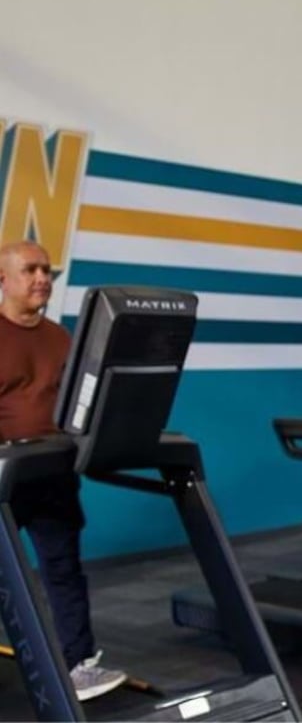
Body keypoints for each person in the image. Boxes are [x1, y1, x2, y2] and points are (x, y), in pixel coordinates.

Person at [0, 240, 127, 701]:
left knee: (63, 569)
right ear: (3, 280)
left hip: (52, 472)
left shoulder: (60, 337)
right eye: (30, 270)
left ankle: (78, 665)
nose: (41, 279)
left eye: (46, 271)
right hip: (4, 476)